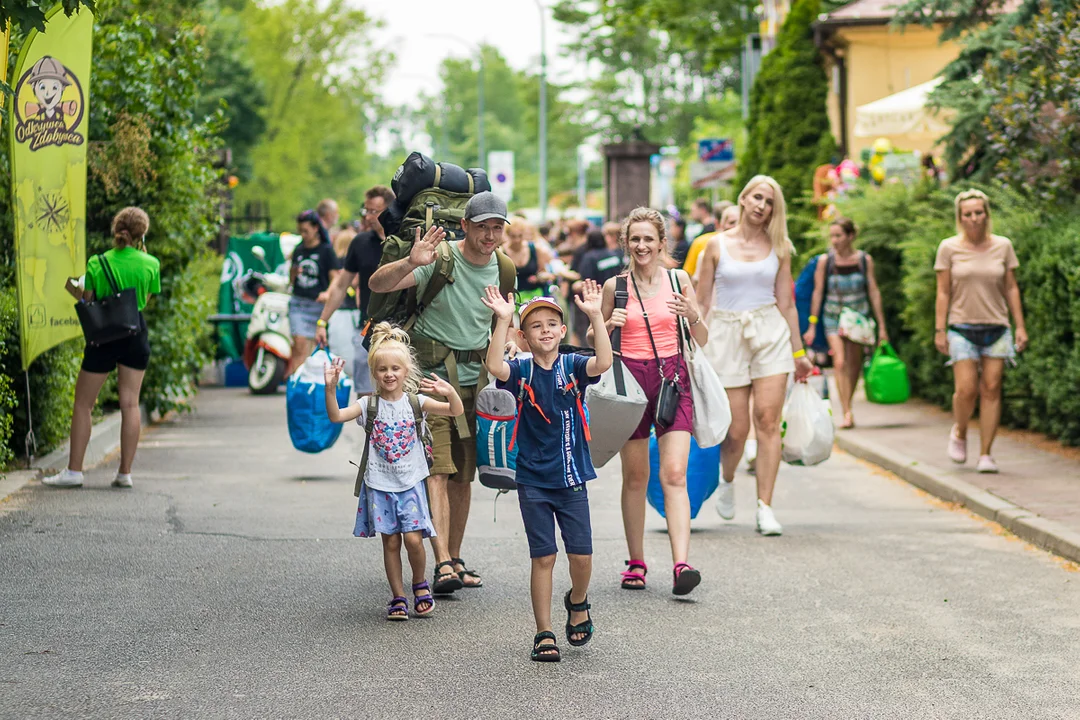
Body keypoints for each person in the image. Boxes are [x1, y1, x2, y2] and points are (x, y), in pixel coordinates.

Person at [367, 190, 515, 595]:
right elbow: (377, 284)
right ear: (464, 225)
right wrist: (410, 262)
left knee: (463, 476)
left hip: (474, 384)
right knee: (438, 469)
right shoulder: (441, 258)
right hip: (429, 380)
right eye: (482, 226)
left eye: (496, 227)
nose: (489, 235)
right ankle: (443, 563)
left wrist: (512, 339)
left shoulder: (504, 268)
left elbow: (507, 322)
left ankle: (454, 557)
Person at [484, 287, 611, 662]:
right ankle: (544, 631)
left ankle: (577, 600)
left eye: (552, 324)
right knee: (543, 557)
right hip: (533, 479)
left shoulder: (572, 366)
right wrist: (504, 320)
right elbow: (494, 367)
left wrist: (596, 316)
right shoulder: (519, 370)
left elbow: (603, 362)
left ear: (562, 331)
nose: (544, 330)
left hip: (572, 477)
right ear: (523, 336)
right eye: (535, 326)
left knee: (582, 556)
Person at [592, 207, 709, 595]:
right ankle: (637, 561)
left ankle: (682, 564)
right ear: (626, 243)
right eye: (635, 239)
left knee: (674, 474)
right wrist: (606, 326)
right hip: (630, 382)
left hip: (673, 380)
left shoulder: (679, 280)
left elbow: (702, 338)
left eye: (649, 239)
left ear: (662, 243)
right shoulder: (616, 287)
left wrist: (693, 314)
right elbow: (595, 345)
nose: (642, 246)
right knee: (637, 476)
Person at [696, 175, 814, 536]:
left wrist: (799, 351)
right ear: (744, 199)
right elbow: (701, 303)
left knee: (767, 419)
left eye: (770, 202)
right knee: (735, 429)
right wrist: (694, 347)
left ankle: (765, 507)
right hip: (726, 334)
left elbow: (787, 302)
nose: (762, 206)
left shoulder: (780, 246)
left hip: (769, 333)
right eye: (757, 198)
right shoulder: (715, 246)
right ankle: (728, 479)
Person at [323, 323, 464, 620]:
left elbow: (455, 411)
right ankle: (398, 596)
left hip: (410, 484)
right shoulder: (368, 405)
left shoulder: (416, 403)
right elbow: (336, 416)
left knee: (413, 540)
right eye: (383, 369)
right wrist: (331, 387)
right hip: (379, 485)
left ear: (406, 370)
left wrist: (449, 391)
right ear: (374, 372)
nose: (389, 374)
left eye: (395, 369)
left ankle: (419, 584)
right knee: (390, 542)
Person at [45, 208, 161, 489]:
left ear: (115, 231)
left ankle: (74, 472)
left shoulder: (97, 262)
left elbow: (88, 298)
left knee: (84, 403)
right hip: (135, 334)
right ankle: (124, 473)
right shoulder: (150, 263)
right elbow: (144, 300)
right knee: (130, 403)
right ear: (141, 234)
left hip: (104, 336)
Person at [934, 189, 1026, 473]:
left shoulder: (1003, 246)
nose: (974, 218)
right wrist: (940, 329)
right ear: (960, 217)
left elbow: (1011, 287)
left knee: (992, 389)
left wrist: (1020, 325)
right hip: (961, 327)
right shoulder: (949, 247)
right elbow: (943, 292)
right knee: (966, 390)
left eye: (979, 212)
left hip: (997, 326)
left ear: (987, 214)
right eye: (968, 214)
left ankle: (986, 454)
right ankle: (960, 432)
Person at [803, 217, 888, 429]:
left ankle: (847, 402)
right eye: (832, 236)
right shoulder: (826, 261)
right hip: (833, 316)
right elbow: (818, 292)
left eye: (839, 235)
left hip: (858, 318)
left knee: (854, 364)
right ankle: (847, 411)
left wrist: (882, 326)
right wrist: (812, 324)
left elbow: (873, 291)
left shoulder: (864, 260)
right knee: (839, 362)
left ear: (851, 236)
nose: (834, 240)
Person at [315, 186, 396, 391]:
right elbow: (342, 284)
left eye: (373, 211)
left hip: (401, 329)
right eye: (365, 210)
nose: (367, 216)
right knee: (365, 392)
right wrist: (322, 321)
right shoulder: (359, 242)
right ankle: (368, 425)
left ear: (389, 210)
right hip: (367, 327)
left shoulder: (403, 241)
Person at [288, 209, 339, 374]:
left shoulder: (326, 250)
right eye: (300, 231)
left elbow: (336, 278)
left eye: (306, 231)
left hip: (319, 307)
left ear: (316, 228)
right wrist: (293, 274)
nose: (303, 235)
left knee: (318, 349)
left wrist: (327, 293)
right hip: (299, 303)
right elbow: (292, 278)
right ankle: (296, 386)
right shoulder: (298, 250)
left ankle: (315, 385)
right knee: (299, 346)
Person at [503, 219, 555, 308]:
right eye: (513, 236)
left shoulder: (535, 249)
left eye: (520, 236)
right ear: (507, 235)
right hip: (514, 299)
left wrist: (539, 277)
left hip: (536, 295)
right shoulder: (502, 252)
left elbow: (547, 273)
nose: (517, 240)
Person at [684, 205, 739, 283]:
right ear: (721, 224)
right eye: (732, 222)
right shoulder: (703, 247)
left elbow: (689, 275)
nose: (736, 226)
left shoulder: (700, 241)